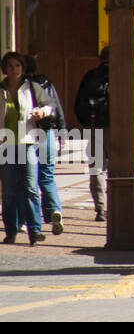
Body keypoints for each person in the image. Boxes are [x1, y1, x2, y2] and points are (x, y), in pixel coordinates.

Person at [1, 51, 57, 243]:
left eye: (17, 66)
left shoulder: (31, 87)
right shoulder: (2, 90)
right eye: (10, 66)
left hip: (28, 143)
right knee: (9, 191)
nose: (14, 70)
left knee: (31, 187)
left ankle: (35, 229)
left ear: (23, 68)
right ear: (5, 69)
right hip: (5, 145)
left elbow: (50, 105)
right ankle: (11, 231)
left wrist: (42, 111)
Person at [24, 56, 63, 235]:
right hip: (47, 131)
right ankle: (55, 210)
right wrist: (61, 131)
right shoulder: (45, 82)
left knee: (28, 179)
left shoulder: (20, 86)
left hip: (26, 134)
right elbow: (57, 108)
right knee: (47, 175)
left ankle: (30, 218)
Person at [74, 46, 110, 222]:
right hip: (120, 128)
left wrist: (87, 124)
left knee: (97, 168)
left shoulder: (90, 77)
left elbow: (79, 104)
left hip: (94, 127)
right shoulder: (124, 74)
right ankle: (122, 205)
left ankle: (101, 209)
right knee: (123, 168)